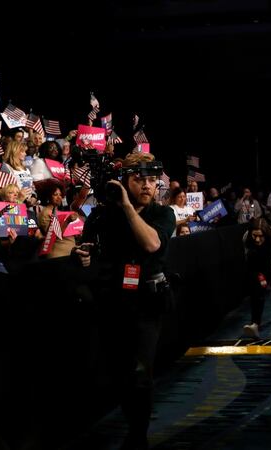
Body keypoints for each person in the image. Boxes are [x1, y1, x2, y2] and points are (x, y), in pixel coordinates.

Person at [73, 152, 175, 449]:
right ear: (124, 181)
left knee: (141, 372)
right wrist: (82, 255)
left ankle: (137, 436)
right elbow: (86, 250)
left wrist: (128, 206)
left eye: (152, 180)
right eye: (139, 179)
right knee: (118, 372)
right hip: (113, 302)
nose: (147, 185)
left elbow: (152, 243)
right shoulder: (102, 215)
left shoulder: (163, 214)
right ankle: (133, 424)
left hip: (147, 302)